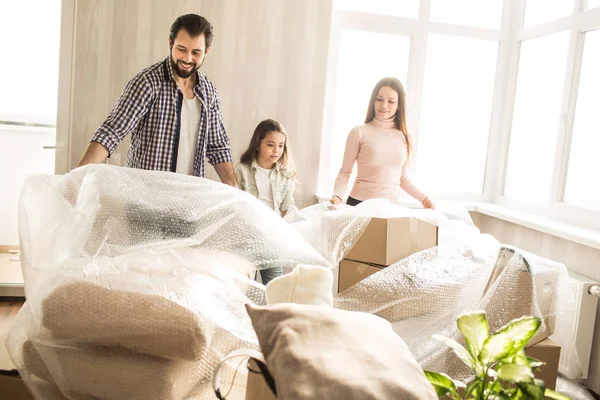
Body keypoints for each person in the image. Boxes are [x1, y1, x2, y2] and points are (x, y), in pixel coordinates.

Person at [77, 14, 237, 187]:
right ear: (170, 43)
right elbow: (111, 132)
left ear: (206, 51)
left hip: (187, 200)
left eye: (196, 52)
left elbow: (218, 148)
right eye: (181, 49)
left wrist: (236, 192)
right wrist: (76, 179)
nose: (187, 58)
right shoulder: (148, 83)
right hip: (143, 198)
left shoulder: (208, 93)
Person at [330, 77, 435, 209]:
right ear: (373, 101)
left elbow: (403, 179)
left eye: (391, 101)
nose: (384, 105)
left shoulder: (406, 137)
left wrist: (424, 199)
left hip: (389, 208)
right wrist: (337, 196)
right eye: (379, 99)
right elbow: (345, 172)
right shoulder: (358, 132)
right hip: (359, 204)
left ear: (399, 106)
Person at [235, 119, 297, 284]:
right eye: (271, 145)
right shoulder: (241, 170)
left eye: (281, 145)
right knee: (245, 287)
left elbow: (287, 207)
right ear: (257, 144)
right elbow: (234, 206)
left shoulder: (286, 175)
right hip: (246, 238)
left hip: (271, 239)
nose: (276, 150)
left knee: (275, 287)